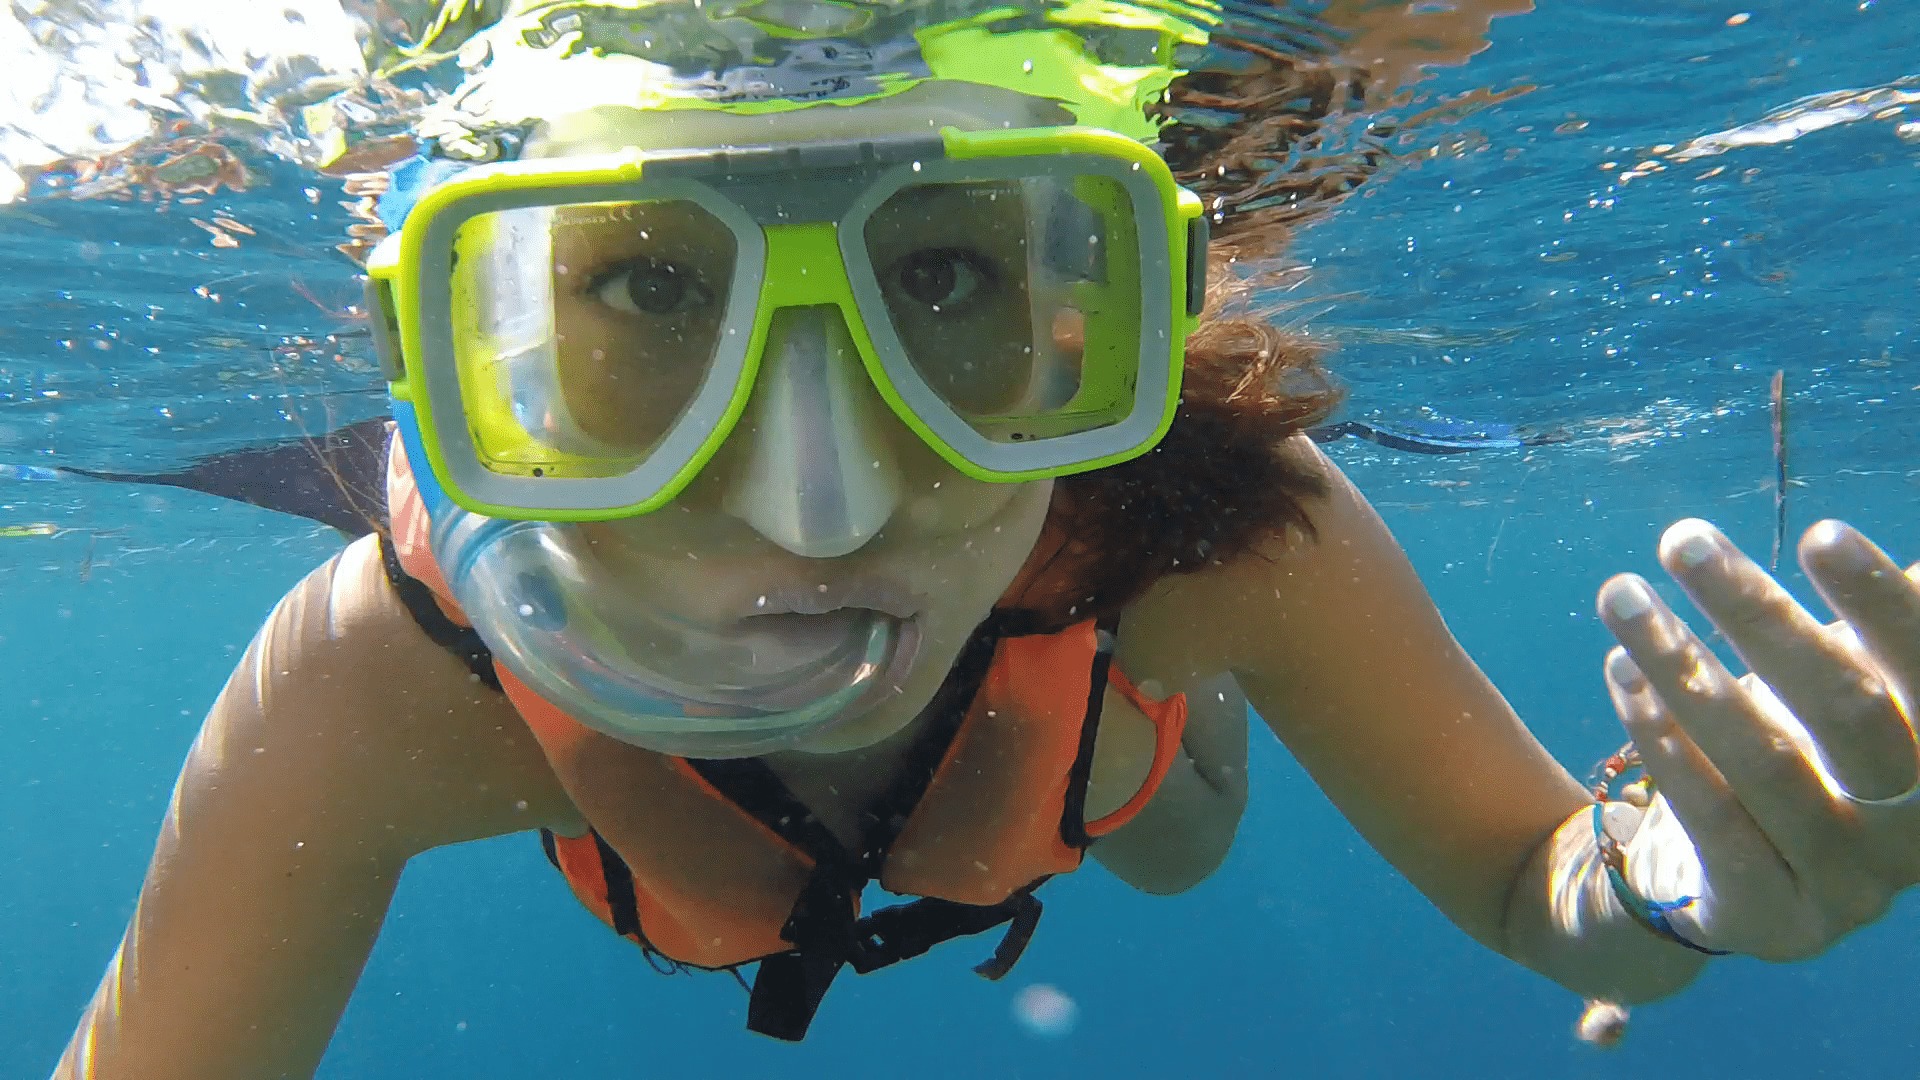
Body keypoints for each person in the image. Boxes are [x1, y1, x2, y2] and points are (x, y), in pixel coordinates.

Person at [52, 1, 1920, 1077]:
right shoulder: (385, 672)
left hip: (1117, 711)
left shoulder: (1207, 543)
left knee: (1179, 839)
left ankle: (1188, 727)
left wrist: (1681, 883)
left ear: (1093, 311)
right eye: (641, 284)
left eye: (943, 269)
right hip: (1056, 698)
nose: (825, 498)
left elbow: (1548, 894)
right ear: (459, 360)